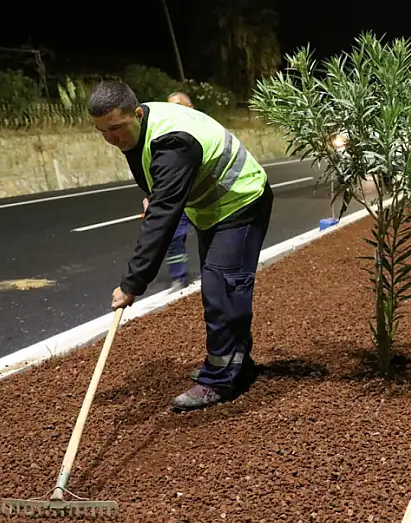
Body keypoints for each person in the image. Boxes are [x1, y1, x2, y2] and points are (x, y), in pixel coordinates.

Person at [89, 80, 273, 411]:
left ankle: (219, 380)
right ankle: (234, 365)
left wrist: (133, 283)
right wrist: (155, 195)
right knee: (221, 288)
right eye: (103, 132)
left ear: (138, 113)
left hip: (241, 200)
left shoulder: (172, 142)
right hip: (211, 208)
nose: (111, 139)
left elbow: (163, 218)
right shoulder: (141, 128)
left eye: (116, 128)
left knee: (223, 289)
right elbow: (159, 189)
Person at [160, 91, 196, 290]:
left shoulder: (204, 128)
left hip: (203, 194)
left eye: (177, 106)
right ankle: (179, 277)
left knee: (212, 236)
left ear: (189, 108)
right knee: (173, 236)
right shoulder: (167, 133)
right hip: (179, 196)